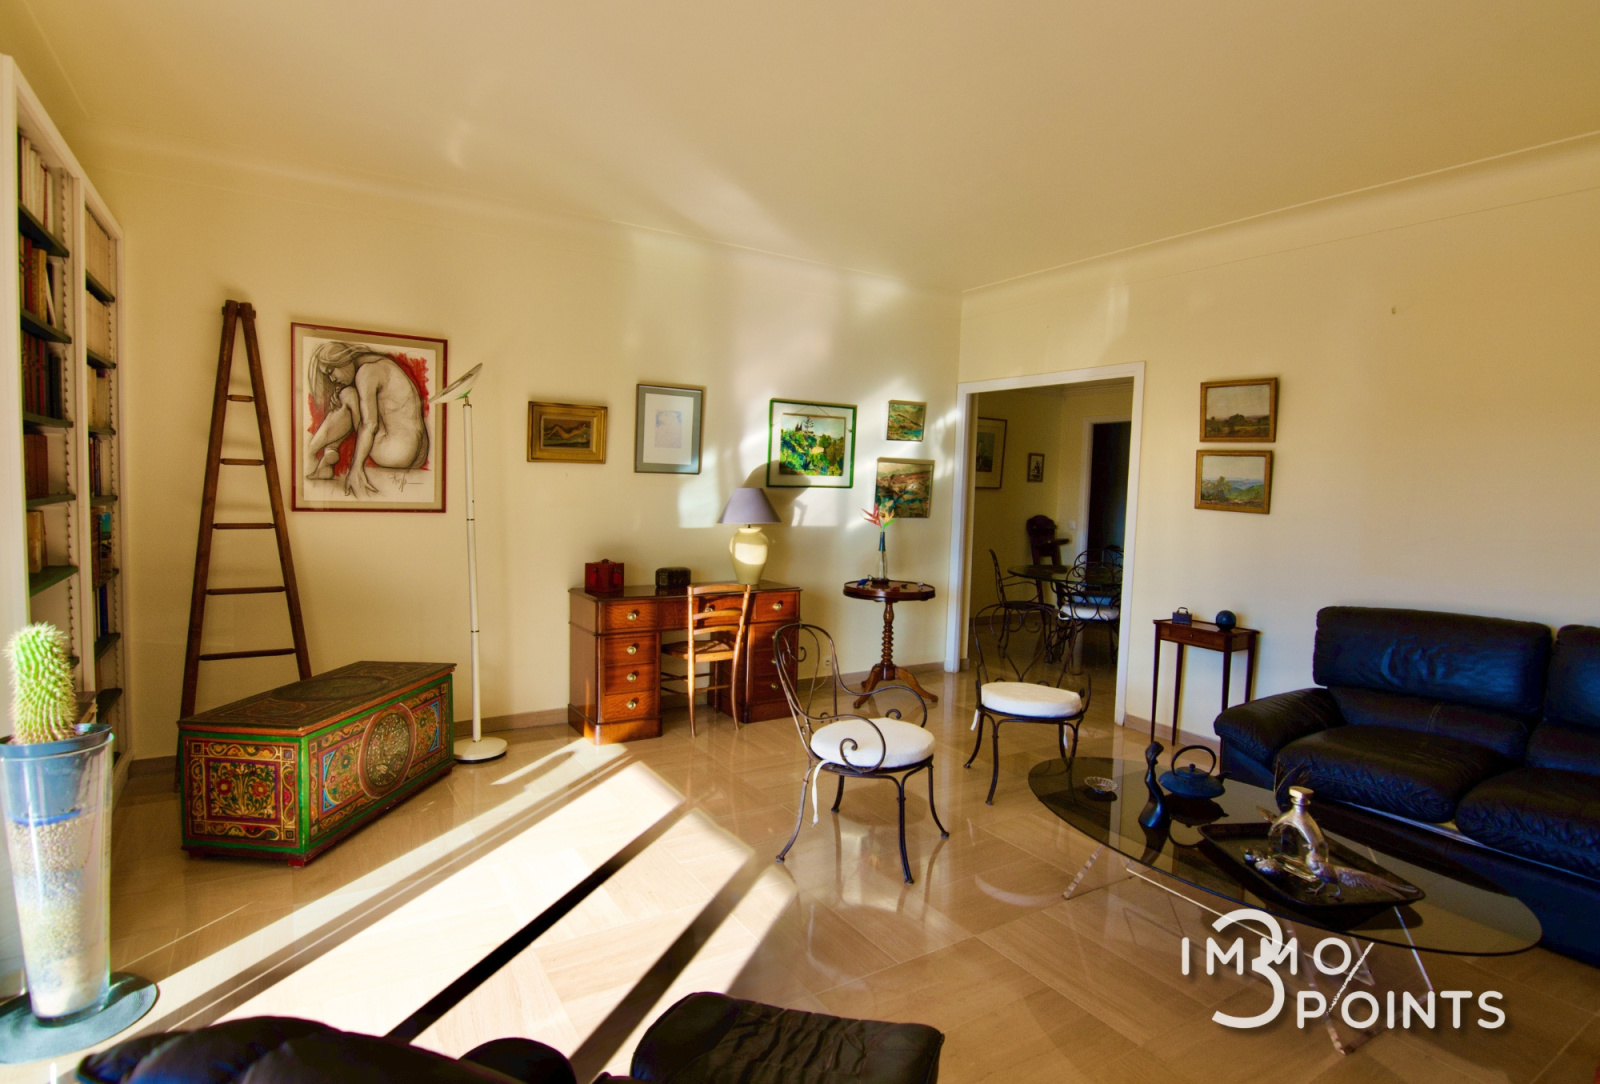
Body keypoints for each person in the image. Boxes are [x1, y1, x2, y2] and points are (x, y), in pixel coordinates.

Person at [304, 341, 429, 496]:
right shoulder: (384, 365)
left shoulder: (366, 372)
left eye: (331, 371)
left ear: (343, 359)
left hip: (393, 453)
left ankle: (316, 450)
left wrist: (356, 468)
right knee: (350, 395)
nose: (332, 378)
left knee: (348, 395)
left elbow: (370, 424)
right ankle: (328, 454)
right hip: (418, 453)